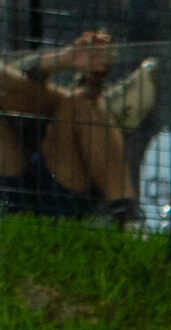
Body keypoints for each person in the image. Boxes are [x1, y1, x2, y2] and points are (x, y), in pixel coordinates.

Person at [1, 30, 144, 224]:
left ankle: (129, 222)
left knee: (81, 104)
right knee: (82, 103)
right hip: (9, 181)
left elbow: (13, 79)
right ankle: (106, 107)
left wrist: (67, 59)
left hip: (56, 178)